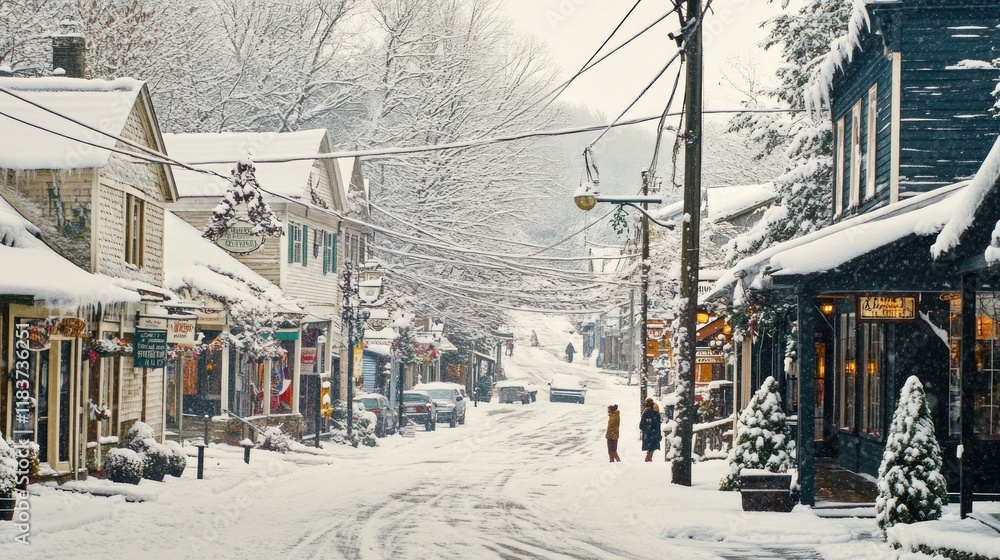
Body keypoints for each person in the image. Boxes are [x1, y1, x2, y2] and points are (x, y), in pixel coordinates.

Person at [639, 397, 662, 462]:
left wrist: (648, 423)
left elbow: (641, 425)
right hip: (654, 432)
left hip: (648, 433)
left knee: (651, 447)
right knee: (652, 447)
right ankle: (648, 458)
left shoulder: (646, 412)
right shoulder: (655, 413)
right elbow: (657, 423)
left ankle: (648, 458)